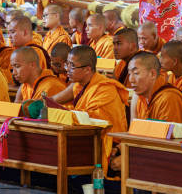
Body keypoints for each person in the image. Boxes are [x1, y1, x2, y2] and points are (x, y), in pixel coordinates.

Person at [51, 46, 129, 178]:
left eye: (72, 66)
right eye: (67, 65)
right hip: (87, 140)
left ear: (87, 69)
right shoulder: (79, 84)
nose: (67, 70)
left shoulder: (105, 89)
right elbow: (54, 101)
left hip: (108, 146)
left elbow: (88, 120)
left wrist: (57, 112)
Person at [129, 52, 182, 132]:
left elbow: (168, 138)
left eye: (136, 73)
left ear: (153, 74)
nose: (131, 79)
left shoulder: (169, 98)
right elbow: (133, 131)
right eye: (129, 74)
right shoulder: (139, 97)